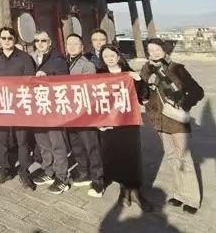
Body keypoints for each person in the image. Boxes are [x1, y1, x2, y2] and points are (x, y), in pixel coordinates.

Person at [141, 38, 204, 214]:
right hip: (158, 118)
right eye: (151, 50)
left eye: (158, 49)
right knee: (170, 156)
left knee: (183, 157)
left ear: (165, 50)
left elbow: (198, 91)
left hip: (175, 120)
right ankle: (179, 193)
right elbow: (143, 91)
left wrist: (183, 105)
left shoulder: (177, 68)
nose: (154, 53)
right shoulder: (146, 69)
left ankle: (192, 198)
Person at [98, 44, 153, 211]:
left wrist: (138, 80)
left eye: (111, 54)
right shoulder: (99, 75)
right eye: (105, 55)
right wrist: (99, 121)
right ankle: (124, 190)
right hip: (110, 122)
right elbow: (95, 100)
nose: (109, 58)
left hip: (129, 120)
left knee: (132, 155)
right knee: (116, 156)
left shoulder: (128, 73)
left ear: (118, 55)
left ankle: (135, 191)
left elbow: (145, 95)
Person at [0, 27, 36, 190]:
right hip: (1, 105)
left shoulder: (25, 58)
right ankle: (4, 169)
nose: (6, 40)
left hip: (20, 105)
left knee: (22, 140)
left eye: (10, 38)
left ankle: (23, 170)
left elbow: (30, 82)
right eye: (3, 38)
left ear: (15, 39)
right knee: (1, 139)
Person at [30, 30, 71, 194]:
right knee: (43, 142)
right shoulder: (32, 58)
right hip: (38, 106)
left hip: (53, 106)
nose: (40, 43)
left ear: (50, 42)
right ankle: (48, 170)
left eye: (43, 40)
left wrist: (48, 76)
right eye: (37, 41)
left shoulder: (57, 58)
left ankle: (62, 176)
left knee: (57, 143)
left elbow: (64, 77)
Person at [66, 33, 104, 198]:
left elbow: (89, 90)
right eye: (69, 44)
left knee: (91, 147)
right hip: (68, 112)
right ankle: (83, 172)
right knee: (76, 145)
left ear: (82, 47)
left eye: (76, 44)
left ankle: (98, 181)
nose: (72, 47)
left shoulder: (87, 65)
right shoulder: (64, 63)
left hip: (84, 112)